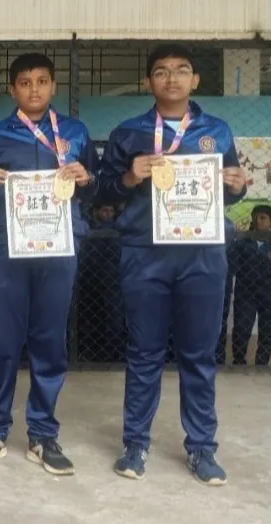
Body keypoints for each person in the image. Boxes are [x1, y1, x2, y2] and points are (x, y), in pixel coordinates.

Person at [98, 44, 247, 485]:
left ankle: (201, 448)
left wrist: (237, 186)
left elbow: (230, 192)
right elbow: (101, 191)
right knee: (144, 352)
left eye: (181, 71)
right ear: (149, 82)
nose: (172, 78)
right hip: (145, 253)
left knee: (198, 354)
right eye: (161, 72)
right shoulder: (129, 133)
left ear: (195, 80)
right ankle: (135, 444)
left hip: (202, 254)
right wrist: (129, 176)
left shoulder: (217, 131)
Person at [0, 53, 97, 475]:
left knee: (49, 342)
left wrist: (87, 179)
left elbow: (96, 191)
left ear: (54, 86)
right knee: (4, 343)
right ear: (12, 90)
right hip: (6, 250)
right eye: (25, 82)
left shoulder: (76, 132)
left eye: (42, 81)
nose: (34, 89)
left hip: (58, 249)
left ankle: (43, 434)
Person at [230, 205, 271, 367]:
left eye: (263, 218)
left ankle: (262, 364)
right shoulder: (244, 242)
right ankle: (238, 362)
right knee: (242, 327)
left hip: (268, 292)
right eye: (255, 217)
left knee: (267, 330)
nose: (258, 221)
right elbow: (233, 264)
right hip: (245, 292)